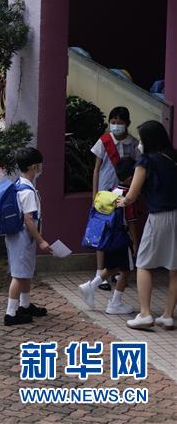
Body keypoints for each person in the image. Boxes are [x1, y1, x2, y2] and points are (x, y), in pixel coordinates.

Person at [116, 120, 177, 330]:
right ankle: (168, 315)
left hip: (159, 216)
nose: (139, 142)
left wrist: (121, 201)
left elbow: (131, 195)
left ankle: (145, 314)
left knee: (143, 264)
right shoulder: (174, 157)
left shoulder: (146, 161)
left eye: (141, 138)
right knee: (174, 268)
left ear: (148, 140)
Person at [77, 158, 140, 314]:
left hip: (109, 238)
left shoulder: (112, 191)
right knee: (125, 272)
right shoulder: (127, 197)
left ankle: (90, 286)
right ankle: (115, 304)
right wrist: (135, 243)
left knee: (112, 267)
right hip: (122, 239)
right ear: (131, 178)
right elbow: (130, 222)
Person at [90, 107, 139, 290]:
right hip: (104, 194)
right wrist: (94, 193)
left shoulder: (134, 144)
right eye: (113, 121)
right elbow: (96, 168)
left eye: (120, 122)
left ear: (127, 124)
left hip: (124, 194)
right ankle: (100, 271)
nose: (116, 125)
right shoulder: (104, 141)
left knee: (120, 232)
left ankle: (118, 270)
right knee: (102, 233)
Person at [3, 147, 52, 326]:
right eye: (39, 165)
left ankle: (24, 305)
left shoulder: (18, 184)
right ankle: (11, 313)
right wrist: (40, 240)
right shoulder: (28, 192)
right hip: (23, 237)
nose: (41, 168)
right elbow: (29, 219)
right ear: (33, 167)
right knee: (18, 274)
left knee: (24, 272)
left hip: (16, 236)